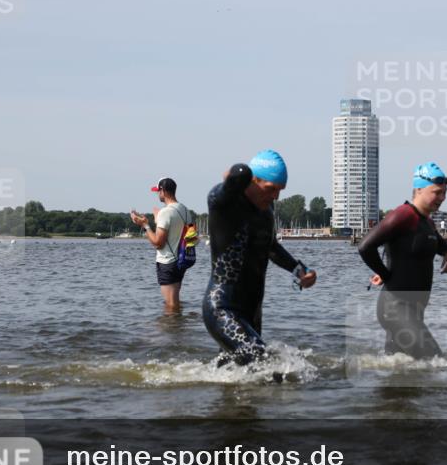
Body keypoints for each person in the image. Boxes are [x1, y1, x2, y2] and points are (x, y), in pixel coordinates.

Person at [202, 150, 317, 366]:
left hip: (252, 311)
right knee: (263, 364)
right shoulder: (225, 204)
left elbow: (271, 248)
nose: (275, 196)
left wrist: (299, 270)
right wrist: (238, 175)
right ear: (252, 181)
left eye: (279, 191)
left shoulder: (266, 211)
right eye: (271, 189)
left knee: (234, 374)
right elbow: (234, 176)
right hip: (222, 307)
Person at [359, 162, 447, 359]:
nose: (442, 198)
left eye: (444, 193)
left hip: (414, 310)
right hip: (395, 307)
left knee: (401, 372)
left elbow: (442, 245)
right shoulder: (404, 215)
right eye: (437, 192)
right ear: (419, 189)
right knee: (436, 362)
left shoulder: (427, 222)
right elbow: (365, 247)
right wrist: (385, 274)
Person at [130, 177, 192, 313]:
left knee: (170, 303)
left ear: (163, 191)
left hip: (167, 262)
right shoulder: (184, 210)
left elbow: (158, 243)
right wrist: (158, 219)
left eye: (158, 191)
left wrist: (145, 225)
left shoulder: (166, 212)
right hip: (182, 260)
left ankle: (171, 330)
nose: (157, 194)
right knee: (175, 299)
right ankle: (178, 328)